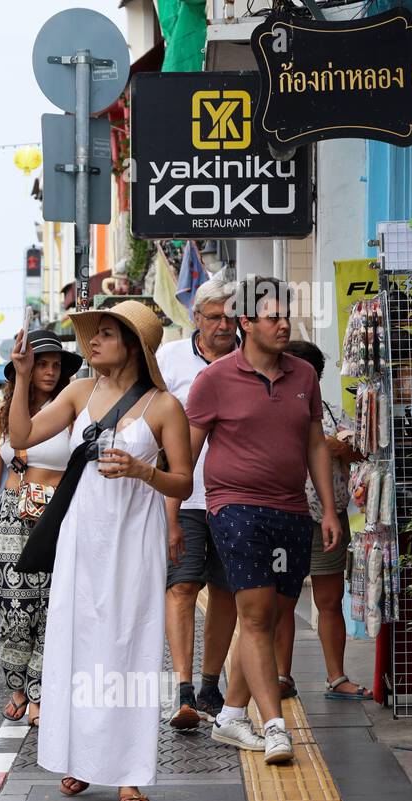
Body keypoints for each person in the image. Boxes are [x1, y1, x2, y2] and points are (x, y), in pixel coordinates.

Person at [9, 300, 194, 801]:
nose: (92, 342)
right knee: (78, 643)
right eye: (93, 334)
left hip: (135, 538)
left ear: (133, 345)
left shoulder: (162, 406)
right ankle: (80, 758)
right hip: (80, 537)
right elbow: (20, 437)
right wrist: (23, 377)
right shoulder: (78, 391)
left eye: (106, 333)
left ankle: (131, 773)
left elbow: (185, 478)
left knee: (130, 648)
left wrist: (142, 471)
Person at [185, 276, 341, 765]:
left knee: (273, 616)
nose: (282, 324)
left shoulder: (304, 377)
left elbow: (315, 443)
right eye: (271, 317)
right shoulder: (213, 380)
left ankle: (231, 714)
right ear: (245, 323)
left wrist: (330, 509)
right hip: (235, 508)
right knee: (254, 615)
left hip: (292, 510)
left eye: (284, 315)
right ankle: (275, 726)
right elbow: (185, 457)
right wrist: (173, 516)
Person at [0, 330, 81, 728]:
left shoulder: (72, 411)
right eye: (41, 364)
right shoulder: (2, 414)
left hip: (59, 518)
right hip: (13, 517)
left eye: (55, 365)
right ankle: (18, 685)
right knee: (16, 614)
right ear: (22, 369)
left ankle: (39, 694)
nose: (49, 371)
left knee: (53, 610)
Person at [156, 277, 240, 729]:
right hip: (183, 496)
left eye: (230, 316)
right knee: (183, 587)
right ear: (197, 318)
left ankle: (211, 685)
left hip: (236, 498)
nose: (223, 325)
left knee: (226, 591)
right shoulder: (168, 359)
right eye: (214, 317)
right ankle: (184, 689)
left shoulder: (252, 359)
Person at [276, 340, 371, 701]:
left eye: (307, 374)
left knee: (330, 601)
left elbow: (360, 450)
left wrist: (338, 446)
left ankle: (337, 677)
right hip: (282, 517)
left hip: (326, 521)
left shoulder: (332, 415)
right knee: (281, 600)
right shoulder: (269, 413)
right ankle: (281, 676)